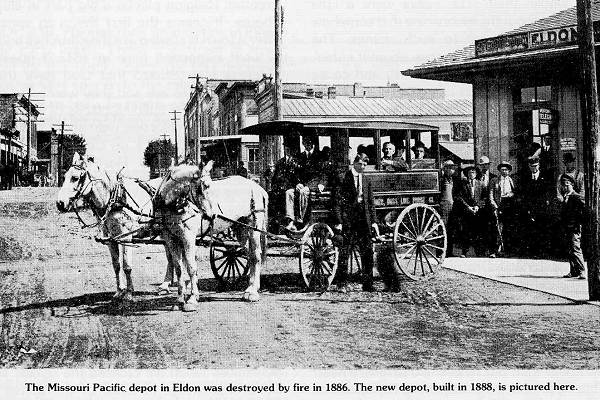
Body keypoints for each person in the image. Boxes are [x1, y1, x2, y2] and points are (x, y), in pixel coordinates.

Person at [333, 153, 374, 292]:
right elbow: (337, 201)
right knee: (345, 250)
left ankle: (368, 284)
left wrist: (373, 222)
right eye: (360, 164)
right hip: (349, 219)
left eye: (364, 165)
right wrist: (338, 221)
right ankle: (341, 283)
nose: (362, 167)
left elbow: (370, 202)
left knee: (367, 251)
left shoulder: (367, 180)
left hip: (364, 219)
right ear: (354, 163)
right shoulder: (343, 178)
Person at [284, 135, 322, 230]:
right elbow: (296, 173)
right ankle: (290, 219)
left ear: (313, 144)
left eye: (309, 143)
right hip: (302, 185)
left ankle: (301, 219)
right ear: (303, 144)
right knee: (289, 192)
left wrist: (308, 186)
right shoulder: (300, 156)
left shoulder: (319, 156)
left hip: (313, 185)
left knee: (303, 192)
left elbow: (320, 175)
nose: (307, 145)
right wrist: (297, 183)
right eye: (305, 143)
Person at [520, 156, 552, 258]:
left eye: (535, 166)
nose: (534, 168)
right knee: (531, 230)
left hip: (542, 208)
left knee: (542, 230)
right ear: (529, 166)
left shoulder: (545, 176)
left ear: (539, 165)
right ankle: (533, 252)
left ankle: (543, 252)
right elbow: (524, 193)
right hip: (530, 208)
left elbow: (548, 192)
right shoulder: (525, 177)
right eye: (531, 166)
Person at [559, 174, 586, 279]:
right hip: (567, 227)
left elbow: (583, 210)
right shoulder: (566, 196)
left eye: (567, 185)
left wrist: (578, 222)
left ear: (572, 185)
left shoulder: (576, 196)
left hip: (574, 226)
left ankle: (582, 271)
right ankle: (573, 270)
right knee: (569, 249)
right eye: (564, 185)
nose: (565, 187)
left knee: (575, 248)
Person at [456, 164, 486, 257]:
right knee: (466, 231)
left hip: (478, 211)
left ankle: (479, 252)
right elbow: (459, 197)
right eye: (469, 172)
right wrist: (468, 207)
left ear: (476, 174)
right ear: (466, 174)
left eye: (473, 172)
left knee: (478, 231)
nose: (471, 174)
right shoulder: (462, 184)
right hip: (466, 211)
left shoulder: (481, 184)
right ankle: (464, 252)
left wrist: (477, 206)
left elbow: (484, 197)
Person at [488, 161, 516, 257]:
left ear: (509, 171)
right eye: (502, 170)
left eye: (506, 170)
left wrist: (511, 194)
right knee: (497, 228)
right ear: (499, 170)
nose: (504, 171)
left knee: (507, 229)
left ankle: (506, 250)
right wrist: (494, 205)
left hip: (508, 206)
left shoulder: (511, 180)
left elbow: (514, 193)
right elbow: (491, 194)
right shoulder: (494, 180)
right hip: (498, 205)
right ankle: (495, 251)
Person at [439, 160, 461, 257]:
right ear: (444, 169)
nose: (450, 170)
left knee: (451, 229)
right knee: (443, 227)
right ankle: (441, 251)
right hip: (443, 205)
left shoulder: (455, 180)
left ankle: (449, 251)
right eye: (448, 168)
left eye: (452, 168)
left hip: (453, 206)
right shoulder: (441, 179)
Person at [477, 155, 497, 255]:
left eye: (486, 165)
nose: (484, 167)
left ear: (489, 165)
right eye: (482, 165)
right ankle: (481, 250)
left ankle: (492, 250)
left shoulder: (494, 177)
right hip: (480, 207)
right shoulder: (477, 178)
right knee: (481, 228)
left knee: (492, 228)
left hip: (491, 207)